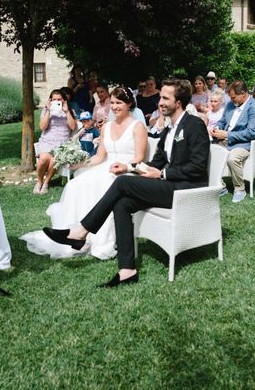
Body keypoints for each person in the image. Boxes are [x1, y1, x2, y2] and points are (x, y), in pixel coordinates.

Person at [43, 78, 209, 287]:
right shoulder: (169, 128)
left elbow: (198, 167)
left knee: (122, 184)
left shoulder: (194, 125)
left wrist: (163, 175)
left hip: (187, 190)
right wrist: (129, 168)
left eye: (165, 98)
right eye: (161, 97)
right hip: (170, 185)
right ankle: (127, 271)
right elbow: (154, 163)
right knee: (122, 203)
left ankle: (81, 231)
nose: (160, 102)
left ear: (179, 102)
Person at [22, 87, 147, 260]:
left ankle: (97, 238)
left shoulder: (137, 126)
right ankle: (76, 236)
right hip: (106, 165)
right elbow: (100, 156)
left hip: (128, 170)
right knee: (77, 183)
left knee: (102, 184)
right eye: (112, 103)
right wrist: (80, 163)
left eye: (119, 103)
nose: (115, 106)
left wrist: (125, 166)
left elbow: (139, 158)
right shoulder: (107, 127)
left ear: (129, 104)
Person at [210, 80, 255, 203]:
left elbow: (252, 133)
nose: (231, 100)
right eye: (230, 97)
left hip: (244, 144)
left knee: (232, 158)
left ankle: (239, 189)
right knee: (207, 152)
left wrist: (228, 135)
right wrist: (217, 128)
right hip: (224, 140)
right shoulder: (230, 105)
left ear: (244, 94)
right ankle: (220, 186)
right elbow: (222, 121)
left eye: (234, 97)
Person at [34, 89, 77, 194]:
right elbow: (42, 128)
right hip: (47, 141)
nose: (57, 101)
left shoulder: (70, 111)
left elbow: (73, 127)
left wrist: (66, 111)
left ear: (64, 100)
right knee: (44, 158)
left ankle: (46, 183)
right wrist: (48, 111)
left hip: (62, 143)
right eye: (54, 99)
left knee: (54, 159)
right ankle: (39, 182)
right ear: (50, 100)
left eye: (59, 99)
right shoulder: (46, 111)